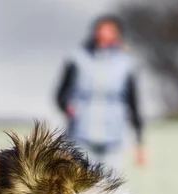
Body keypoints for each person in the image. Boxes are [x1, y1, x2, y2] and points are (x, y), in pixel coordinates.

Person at [55, 14, 146, 171]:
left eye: (110, 31)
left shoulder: (127, 63)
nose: (104, 34)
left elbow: (133, 103)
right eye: (101, 30)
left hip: (113, 139)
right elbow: (60, 94)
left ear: (117, 35)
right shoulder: (77, 58)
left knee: (109, 190)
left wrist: (139, 142)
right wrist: (68, 108)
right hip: (80, 137)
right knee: (80, 189)